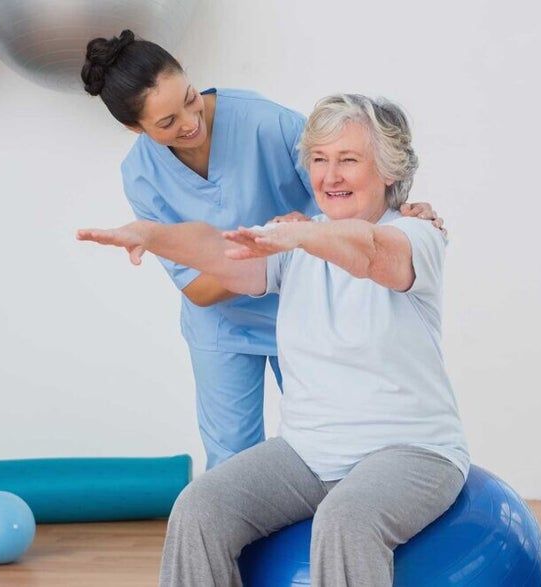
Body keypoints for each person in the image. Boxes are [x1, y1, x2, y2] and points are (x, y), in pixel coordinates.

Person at [78, 93, 468, 586]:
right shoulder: (296, 238)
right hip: (308, 453)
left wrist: (304, 236)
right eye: (320, 160)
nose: (329, 176)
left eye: (349, 160)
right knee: (200, 506)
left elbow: (371, 253)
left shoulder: (416, 235)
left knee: (347, 518)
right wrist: (153, 235)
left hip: (412, 452)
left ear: (389, 170)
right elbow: (219, 251)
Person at [81, 30, 445, 470]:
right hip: (223, 327)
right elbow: (196, 287)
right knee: (232, 463)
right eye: (167, 123)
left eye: (190, 98)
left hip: (313, 310)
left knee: (333, 452)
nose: (190, 121)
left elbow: (348, 191)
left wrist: (403, 211)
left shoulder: (266, 123)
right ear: (133, 128)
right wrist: (265, 253)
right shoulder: (141, 174)